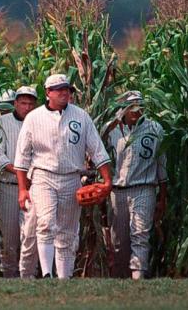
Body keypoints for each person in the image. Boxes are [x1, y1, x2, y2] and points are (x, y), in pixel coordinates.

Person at [14, 74, 113, 279]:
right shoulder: (34, 118)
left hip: (71, 177)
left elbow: (97, 150)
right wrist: (23, 189)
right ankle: (48, 273)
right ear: (48, 93)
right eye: (58, 89)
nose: (64, 92)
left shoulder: (81, 116)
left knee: (68, 233)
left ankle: (64, 279)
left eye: (66, 89)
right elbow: (22, 157)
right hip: (43, 175)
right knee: (46, 223)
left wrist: (107, 180)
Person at [104, 91, 167, 280]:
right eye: (130, 106)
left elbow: (161, 163)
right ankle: (121, 278)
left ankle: (137, 278)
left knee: (140, 234)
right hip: (117, 191)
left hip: (144, 188)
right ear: (121, 108)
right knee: (119, 240)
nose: (135, 110)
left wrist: (163, 196)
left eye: (139, 105)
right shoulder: (111, 130)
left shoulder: (154, 128)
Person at [0, 86, 38, 277]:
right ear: (15, 103)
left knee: (31, 233)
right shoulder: (0, 123)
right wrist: (21, 173)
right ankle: (9, 275)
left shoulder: (39, 122)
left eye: (30, 104)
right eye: (23, 103)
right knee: (8, 236)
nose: (26, 107)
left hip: (34, 187)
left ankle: (30, 275)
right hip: (7, 187)